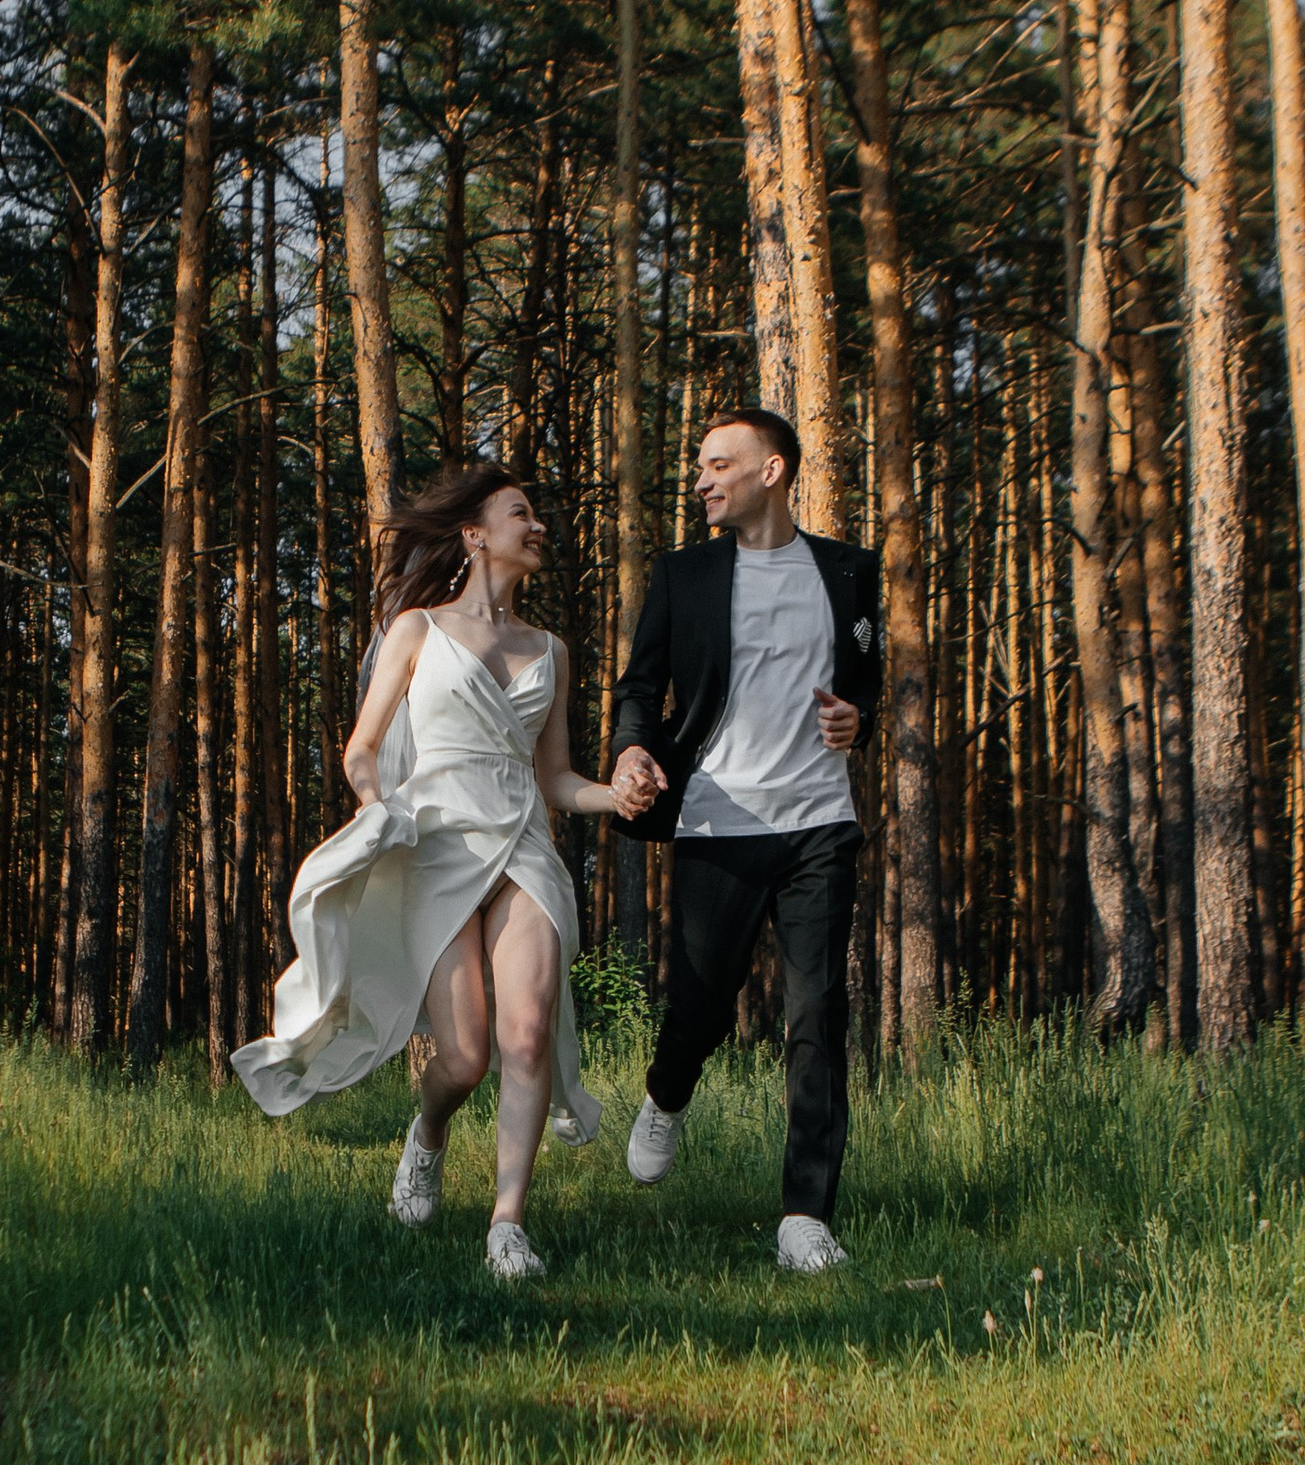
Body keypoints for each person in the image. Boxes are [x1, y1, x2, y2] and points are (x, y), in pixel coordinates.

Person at [234, 463, 654, 1279]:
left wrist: (614, 795)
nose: (536, 527)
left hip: (522, 844)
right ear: (474, 532)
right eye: (520, 512)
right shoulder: (417, 632)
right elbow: (363, 746)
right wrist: (372, 800)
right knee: (461, 1058)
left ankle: (507, 1225)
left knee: (526, 1030)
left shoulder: (551, 650)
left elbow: (553, 777)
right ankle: (427, 1136)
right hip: (437, 845)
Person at [609, 405, 883, 1274]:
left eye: (719, 464)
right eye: (699, 466)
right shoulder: (685, 575)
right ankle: (665, 1092)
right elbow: (640, 684)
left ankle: (805, 1214)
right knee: (700, 1005)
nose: (701, 480)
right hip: (719, 820)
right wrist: (632, 750)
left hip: (818, 823)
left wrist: (856, 717)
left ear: (772, 470)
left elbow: (863, 683)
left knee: (817, 1015)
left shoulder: (847, 570)